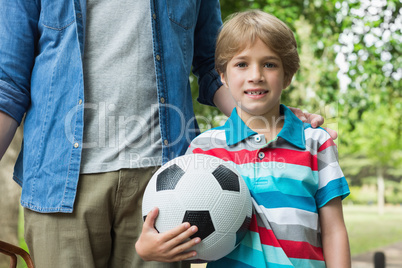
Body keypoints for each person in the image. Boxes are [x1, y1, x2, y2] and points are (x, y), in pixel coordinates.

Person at [0, 1, 330, 267]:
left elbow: (213, 66)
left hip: (168, 185)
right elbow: (7, 85)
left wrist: (269, 120)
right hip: (60, 183)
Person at [184, 10, 351, 267]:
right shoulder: (204, 149)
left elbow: (334, 231)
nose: (256, 75)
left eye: (269, 64)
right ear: (223, 76)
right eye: (241, 64)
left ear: (288, 76)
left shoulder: (317, 143)